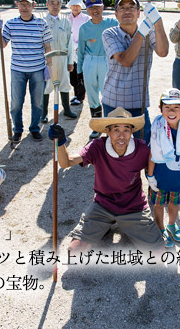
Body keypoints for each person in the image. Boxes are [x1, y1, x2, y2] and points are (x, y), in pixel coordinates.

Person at [47, 108, 163, 253]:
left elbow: (159, 170)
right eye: (116, 130)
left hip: (134, 207)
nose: (121, 136)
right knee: (74, 252)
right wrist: (60, 143)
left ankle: (117, 226)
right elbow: (66, 163)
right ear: (107, 131)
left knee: (160, 252)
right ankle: (106, 224)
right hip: (103, 205)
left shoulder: (142, 149)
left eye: (126, 130)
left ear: (132, 131)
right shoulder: (97, 146)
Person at [102, 0, 169, 144]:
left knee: (144, 145)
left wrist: (157, 22)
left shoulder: (149, 32)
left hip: (139, 101)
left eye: (132, 7)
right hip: (114, 100)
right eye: (122, 8)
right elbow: (126, 60)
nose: (127, 11)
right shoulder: (109, 34)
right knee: (116, 144)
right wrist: (141, 33)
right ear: (116, 14)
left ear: (139, 13)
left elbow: (163, 52)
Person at [0, 0, 52, 143]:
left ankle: (34, 128)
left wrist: (49, 66)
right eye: (21, 4)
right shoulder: (10, 24)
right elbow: (2, 44)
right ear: (17, 5)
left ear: (33, 5)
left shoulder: (41, 24)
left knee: (37, 102)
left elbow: (47, 46)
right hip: (18, 70)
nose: (24, 7)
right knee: (16, 103)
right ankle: (17, 130)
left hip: (38, 69)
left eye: (27, 4)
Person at [147, 89, 180, 248]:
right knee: (158, 204)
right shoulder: (156, 125)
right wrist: (150, 177)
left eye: (177, 107)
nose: (171, 111)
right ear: (160, 108)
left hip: (178, 176)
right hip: (160, 175)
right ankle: (160, 228)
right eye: (167, 107)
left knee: (175, 204)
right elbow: (152, 153)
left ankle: (171, 224)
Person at [77, 0, 118, 139]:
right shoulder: (84, 28)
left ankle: (109, 125)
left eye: (97, 7)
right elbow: (81, 50)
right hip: (90, 60)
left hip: (106, 60)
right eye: (91, 8)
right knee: (92, 94)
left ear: (103, 7)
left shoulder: (112, 22)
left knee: (107, 94)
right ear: (87, 10)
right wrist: (79, 70)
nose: (95, 10)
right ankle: (97, 126)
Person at [41, 0, 77, 123]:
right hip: (47, 60)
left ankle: (66, 109)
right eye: (52, 3)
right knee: (46, 86)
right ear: (47, 4)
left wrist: (70, 61)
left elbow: (70, 42)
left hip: (62, 58)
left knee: (64, 84)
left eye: (58, 3)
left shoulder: (65, 21)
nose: (55, 6)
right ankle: (43, 113)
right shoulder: (42, 21)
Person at [67, 0, 90, 106]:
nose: (75, 7)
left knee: (80, 74)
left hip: (81, 51)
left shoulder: (86, 19)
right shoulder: (67, 18)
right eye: (73, 5)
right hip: (70, 51)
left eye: (77, 5)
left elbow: (88, 36)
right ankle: (76, 94)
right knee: (72, 75)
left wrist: (79, 46)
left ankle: (80, 97)